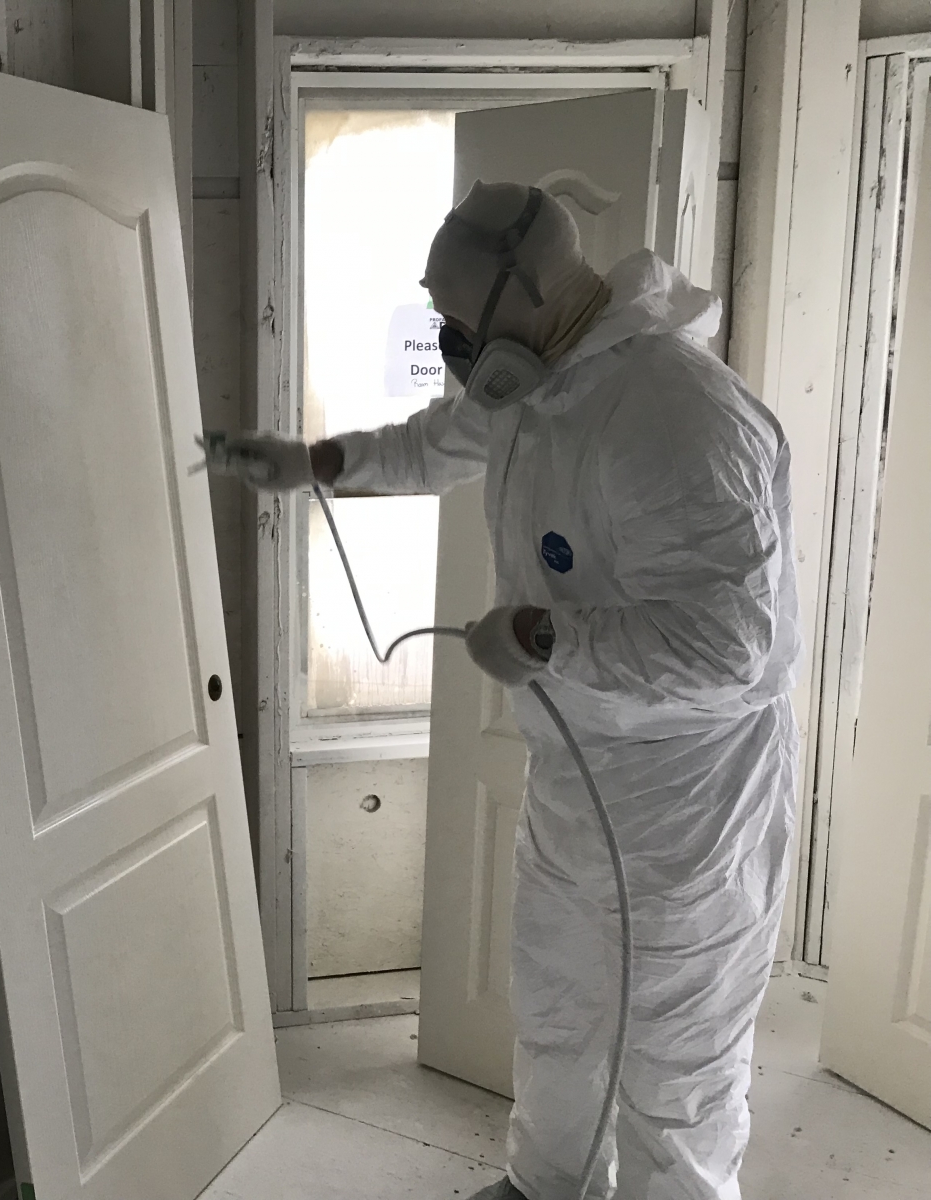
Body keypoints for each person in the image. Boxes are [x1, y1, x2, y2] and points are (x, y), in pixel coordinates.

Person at [206, 181, 801, 1200]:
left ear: (527, 296)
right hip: (578, 767)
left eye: (458, 321)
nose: (452, 345)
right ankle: (543, 1188)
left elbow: (728, 644)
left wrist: (540, 634)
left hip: (692, 800)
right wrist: (312, 463)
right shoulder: (538, 384)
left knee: (677, 1052)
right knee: (560, 1007)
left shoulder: (676, 415)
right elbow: (436, 443)